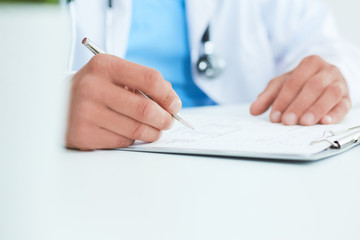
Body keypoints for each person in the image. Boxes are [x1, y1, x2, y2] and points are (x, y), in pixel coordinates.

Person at [65, 0, 360, 151]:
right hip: (96, 165)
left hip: (245, 167)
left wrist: (333, 75)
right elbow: (22, 78)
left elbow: (323, 43)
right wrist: (50, 106)